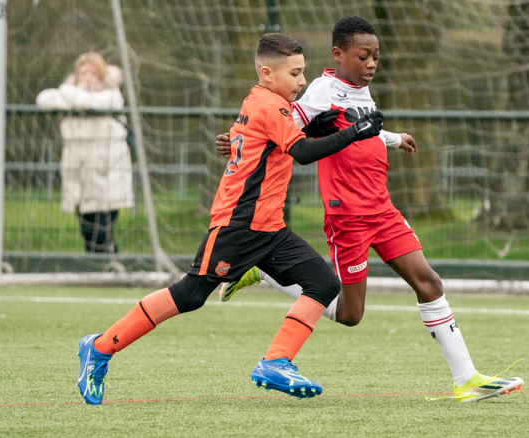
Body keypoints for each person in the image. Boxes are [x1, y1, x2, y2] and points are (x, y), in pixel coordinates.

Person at [215, 16, 523, 403]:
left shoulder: (360, 89)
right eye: (364, 57)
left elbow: (363, 127)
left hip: (382, 208)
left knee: (429, 282)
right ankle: (265, 272)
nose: (372, 64)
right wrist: (238, 137)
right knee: (350, 314)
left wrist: (396, 138)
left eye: (376, 56)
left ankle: (467, 380)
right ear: (338, 54)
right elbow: (283, 125)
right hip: (348, 215)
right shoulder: (322, 90)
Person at [76, 33, 384, 405]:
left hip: (269, 228)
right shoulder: (270, 105)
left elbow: (272, 143)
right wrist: (355, 132)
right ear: (267, 73)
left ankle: (276, 361)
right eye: (295, 74)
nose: (303, 81)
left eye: (303, 72)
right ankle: (100, 347)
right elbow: (301, 152)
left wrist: (314, 128)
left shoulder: (263, 101)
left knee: (323, 283)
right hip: (238, 225)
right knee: (189, 295)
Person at [36, 52, 133, 254]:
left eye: (93, 73)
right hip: (80, 168)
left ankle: (108, 260)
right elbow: (44, 99)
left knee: (103, 224)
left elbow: (91, 103)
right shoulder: (70, 92)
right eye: (83, 73)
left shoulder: (112, 94)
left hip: (108, 168)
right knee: (86, 226)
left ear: (101, 74)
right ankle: (96, 261)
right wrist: (72, 94)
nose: (88, 78)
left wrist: (68, 94)